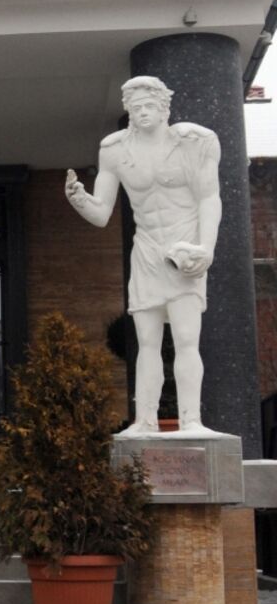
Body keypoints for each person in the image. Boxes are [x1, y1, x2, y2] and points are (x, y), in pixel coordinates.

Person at [65, 76, 221, 435]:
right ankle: (145, 420)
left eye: (150, 106)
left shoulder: (194, 142)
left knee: (185, 339)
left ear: (165, 108)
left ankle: (191, 420)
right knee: (147, 342)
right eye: (136, 108)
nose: (143, 113)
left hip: (183, 249)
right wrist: (79, 199)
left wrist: (206, 249)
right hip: (147, 250)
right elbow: (101, 214)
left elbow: (209, 198)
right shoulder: (115, 150)